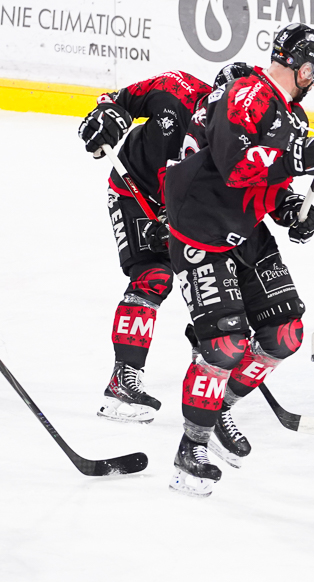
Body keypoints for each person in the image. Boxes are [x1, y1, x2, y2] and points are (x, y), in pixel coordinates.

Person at [164, 23, 314, 497]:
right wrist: (298, 159)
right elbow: (233, 165)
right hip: (201, 229)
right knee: (223, 348)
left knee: (284, 334)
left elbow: (269, 184)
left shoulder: (292, 115)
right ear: (299, 64)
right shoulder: (247, 93)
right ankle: (193, 446)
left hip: (244, 229)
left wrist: (291, 210)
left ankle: (219, 405)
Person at [77, 65, 251, 424]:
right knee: (154, 277)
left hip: (188, 213)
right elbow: (116, 102)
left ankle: (207, 369)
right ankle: (123, 380)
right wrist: (105, 119)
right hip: (134, 192)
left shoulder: (241, 136)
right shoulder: (175, 88)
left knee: (217, 294)